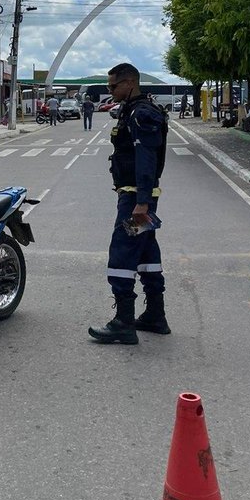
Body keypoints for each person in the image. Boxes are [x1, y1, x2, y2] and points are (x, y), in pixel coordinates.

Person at [89, 62, 170, 345]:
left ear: (130, 83)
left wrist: (142, 202)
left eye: (113, 86)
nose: (110, 91)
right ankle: (155, 316)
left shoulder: (142, 113)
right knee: (146, 252)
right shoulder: (132, 109)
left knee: (122, 252)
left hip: (137, 198)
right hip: (135, 194)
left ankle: (124, 322)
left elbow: (146, 159)